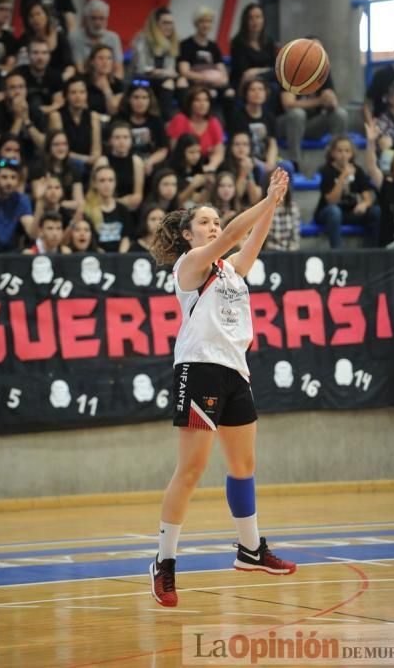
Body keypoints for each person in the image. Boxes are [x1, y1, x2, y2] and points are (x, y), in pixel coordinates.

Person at [148, 167, 296, 608]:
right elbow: (234, 233)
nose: (214, 226)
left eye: (216, 220)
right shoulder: (190, 265)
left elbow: (251, 242)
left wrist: (273, 205)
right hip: (199, 369)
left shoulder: (231, 271)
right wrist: (266, 200)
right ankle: (164, 562)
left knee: (243, 464)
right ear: (190, 236)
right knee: (190, 471)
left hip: (235, 370)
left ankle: (250, 550)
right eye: (206, 223)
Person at [276, 36, 347, 172]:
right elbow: (288, 104)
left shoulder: (323, 72)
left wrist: (331, 101)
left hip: (311, 125)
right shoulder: (290, 69)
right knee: (297, 114)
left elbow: (332, 103)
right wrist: (319, 101)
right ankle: (294, 162)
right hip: (287, 125)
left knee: (340, 114)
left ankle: (334, 161)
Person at [315, 135, 380, 248]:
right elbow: (331, 201)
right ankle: (338, 252)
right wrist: (343, 176)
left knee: (376, 211)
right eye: (339, 151)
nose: (343, 154)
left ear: (352, 154)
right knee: (334, 212)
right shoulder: (326, 171)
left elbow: (368, 197)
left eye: (347, 151)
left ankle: (372, 250)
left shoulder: (357, 170)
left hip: (351, 212)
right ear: (332, 153)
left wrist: (364, 204)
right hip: (328, 212)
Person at [178, 6, 234, 124]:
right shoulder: (186, 44)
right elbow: (184, 71)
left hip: (213, 82)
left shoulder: (213, 46)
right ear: (196, 24)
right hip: (195, 82)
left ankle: (229, 128)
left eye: (208, 22)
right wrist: (204, 78)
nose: (205, 25)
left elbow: (222, 70)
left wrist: (222, 79)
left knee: (230, 93)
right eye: (202, 21)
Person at [131, 7, 187, 121]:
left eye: (171, 23)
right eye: (165, 23)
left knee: (182, 82)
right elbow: (141, 68)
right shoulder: (142, 39)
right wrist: (162, 72)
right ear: (155, 24)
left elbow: (170, 69)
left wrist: (166, 73)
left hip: (163, 78)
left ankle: (185, 121)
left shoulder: (172, 42)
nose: (169, 27)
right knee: (169, 83)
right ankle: (164, 122)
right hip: (144, 78)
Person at [0, 71, 45, 161]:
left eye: (21, 87)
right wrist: (18, 119)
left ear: (26, 90)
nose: (17, 91)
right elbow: (1, 147)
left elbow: (44, 146)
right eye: (13, 88)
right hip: (2, 161)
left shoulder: (34, 110)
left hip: (29, 160)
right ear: (5, 92)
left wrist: (27, 121)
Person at [49, 75, 102, 168]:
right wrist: (84, 159)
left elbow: (96, 152)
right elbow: (58, 149)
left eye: (82, 92)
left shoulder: (94, 116)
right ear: (66, 95)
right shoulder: (56, 116)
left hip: (89, 164)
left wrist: (89, 160)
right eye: (73, 92)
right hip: (64, 163)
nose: (78, 96)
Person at [167, 86, 225, 171]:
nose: (203, 104)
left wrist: (211, 166)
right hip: (182, 166)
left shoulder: (213, 122)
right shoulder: (180, 119)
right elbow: (175, 151)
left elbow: (219, 152)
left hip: (206, 165)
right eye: (197, 100)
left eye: (206, 100)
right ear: (190, 103)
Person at [117, 82, 169, 177]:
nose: (140, 102)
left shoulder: (156, 121)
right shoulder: (119, 119)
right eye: (136, 97)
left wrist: (150, 161)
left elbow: (163, 150)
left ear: (150, 100)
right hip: (123, 160)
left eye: (144, 98)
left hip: (148, 162)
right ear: (129, 99)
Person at [230, 77, 279, 178]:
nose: (257, 93)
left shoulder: (269, 116)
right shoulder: (238, 116)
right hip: (246, 159)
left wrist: (270, 162)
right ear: (246, 94)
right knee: (260, 170)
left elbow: (272, 143)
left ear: (266, 93)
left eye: (260, 89)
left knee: (287, 167)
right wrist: (261, 164)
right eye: (253, 90)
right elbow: (239, 145)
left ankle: (285, 194)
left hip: (266, 159)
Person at [17, 0, 75, 80]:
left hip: (56, 79)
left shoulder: (60, 37)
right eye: (31, 16)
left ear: (47, 16)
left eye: (38, 14)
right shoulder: (25, 38)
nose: (35, 18)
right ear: (27, 20)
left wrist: (62, 79)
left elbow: (70, 66)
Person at [229, 3, 277, 95]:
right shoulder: (237, 42)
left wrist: (257, 71)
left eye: (258, 17)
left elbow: (274, 67)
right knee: (267, 88)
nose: (255, 21)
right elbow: (244, 71)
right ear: (245, 21)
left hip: (266, 79)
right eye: (251, 18)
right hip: (244, 82)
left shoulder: (269, 41)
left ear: (263, 20)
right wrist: (265, 70)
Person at [69, 0, 124, 80]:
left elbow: (119, 69)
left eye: (102, 18)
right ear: (86, 19)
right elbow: (79, 68)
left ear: (107, 19)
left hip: (108, 81)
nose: (98, 23)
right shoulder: (75, 37)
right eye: (93, 18)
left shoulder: (113, 38)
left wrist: (116, 86)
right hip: (83, 81)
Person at [98, 120, 145, 212]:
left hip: (130, 209)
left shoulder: (137, 162)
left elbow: (138, 196)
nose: (121, 141)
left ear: (131, 140)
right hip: (104, 208)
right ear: (110, 140)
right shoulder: (103, 162)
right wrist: (121, 202)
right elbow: (96, 195)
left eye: (125, 137)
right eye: (117, 137)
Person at [30, 129, 84, 208]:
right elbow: (37, 197)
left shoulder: (73, 168)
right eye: (56, 144)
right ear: (49, 147)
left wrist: (59, 205)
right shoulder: (39, 167)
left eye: (64, 144)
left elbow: (79, 202)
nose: (61, 148)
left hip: (66, 212)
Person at [84, 165, 132, 252]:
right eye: (102, 180)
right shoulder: (88, 210)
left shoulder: (123, 209)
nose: (107, 184)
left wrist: (121, 256)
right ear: (94, 183)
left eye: (110, 180)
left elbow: (126, 237)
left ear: (115, 183)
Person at [15, 37, 64, 116]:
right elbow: (16, 103)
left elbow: (58, 103)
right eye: (35, 53)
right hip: (22, 116)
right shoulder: (18, 74)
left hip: (47, 115)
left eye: (44, 53)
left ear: (49, 55)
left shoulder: (55, 75)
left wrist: (38, 110)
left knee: (55, 116)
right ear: (28, 54)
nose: (40, 57)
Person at [220, 132, 263, 207]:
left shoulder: (256, 168)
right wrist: (243, 174)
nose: (241, 148)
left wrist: (249, 172)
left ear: (250, 148)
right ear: (231, 147)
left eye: (245, 144)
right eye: (237, 144)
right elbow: (234, 197)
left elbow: (255, 200)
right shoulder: (224, 167)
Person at [169, 133, 209, 208]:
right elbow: (175, 201)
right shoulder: (172, 171)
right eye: (191, 152)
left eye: (198, 152)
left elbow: (199, 198)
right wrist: (192, 186)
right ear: (181, 152)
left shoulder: (198, 168)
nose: (196, 156)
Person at [86, 44, 124, 117]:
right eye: (100, 58)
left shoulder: (118, 84)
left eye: (109, 58)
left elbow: (113, 111)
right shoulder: (82, 82)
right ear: (92, 62)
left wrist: (106, 90)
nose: (105, 62)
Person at [265, 185, 301, 251]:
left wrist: (289, 251)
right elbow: (265, 241)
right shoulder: (265, 209)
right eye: (277, 184)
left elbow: (295, 239)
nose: (280, 188)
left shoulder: (293, 208)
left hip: (289, 253)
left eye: (283, 185)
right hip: (270, 252)